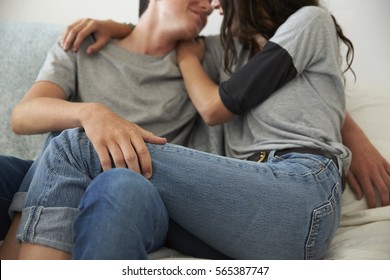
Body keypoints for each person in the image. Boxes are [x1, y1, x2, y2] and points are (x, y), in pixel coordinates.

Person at [11, 0, 360, 260]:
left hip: (295, 184)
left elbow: (222, 104)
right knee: (83, 159)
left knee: (76, 145)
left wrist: (354, 141)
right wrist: (121, 27)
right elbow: (165, 38)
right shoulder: (229, 54)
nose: (214, 6)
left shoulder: (293, 27)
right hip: (241, 200)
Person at [1, 0, 216, 259]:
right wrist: (91, 114)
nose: (209, 6)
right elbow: (23, 115)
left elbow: (258, 30)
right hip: (58, 172)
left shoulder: (201, 59)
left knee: (83, 152)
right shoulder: (83, 42)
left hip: (137, 185)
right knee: (65, 138)